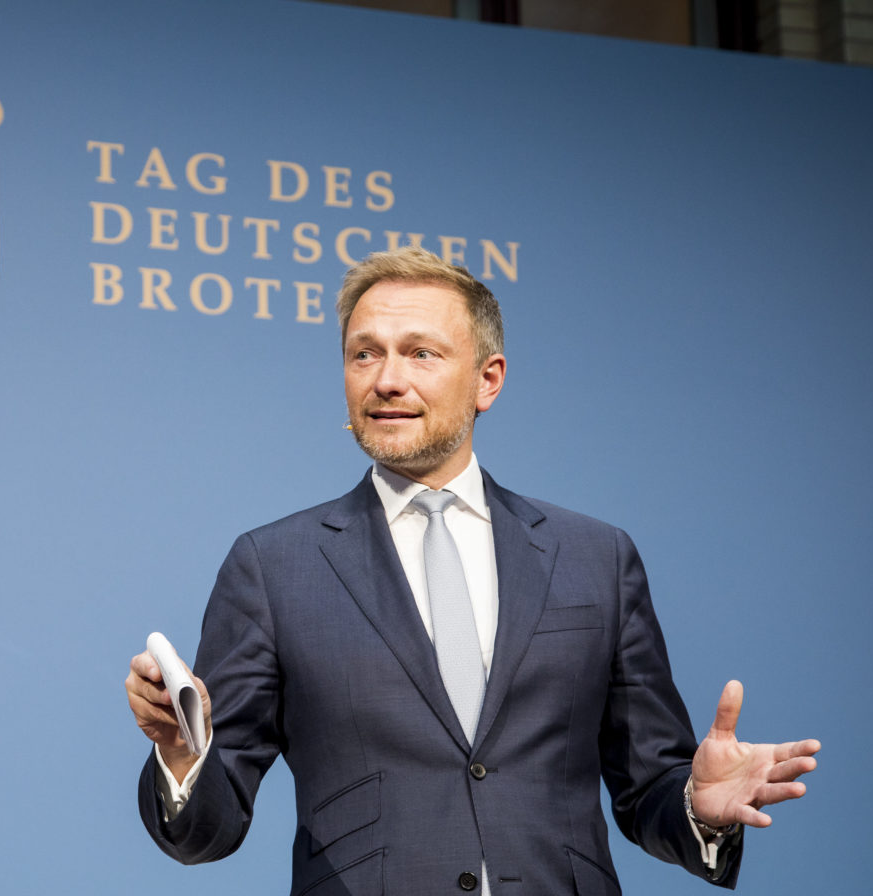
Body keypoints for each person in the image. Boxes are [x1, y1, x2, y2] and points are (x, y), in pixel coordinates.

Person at [124, 247, 819, 895]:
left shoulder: (597, 558)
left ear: (488, 379)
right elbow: (208, 830)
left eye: (420, 353)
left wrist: (698, 805)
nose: (387, 379)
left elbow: (648, 790)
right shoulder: (274, 568)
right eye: (364, 353)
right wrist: (182, 757)